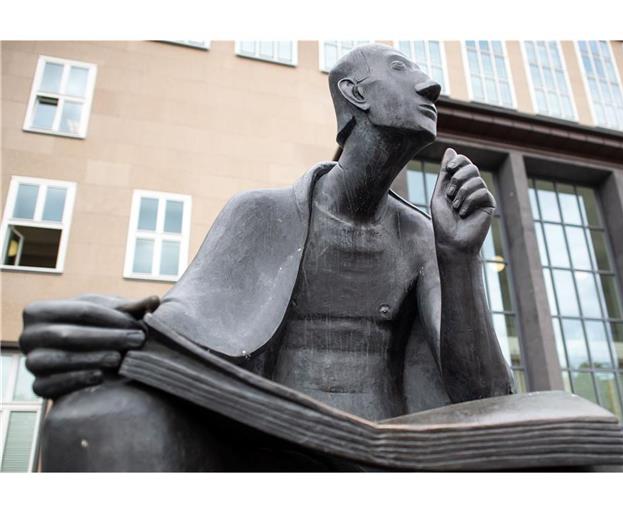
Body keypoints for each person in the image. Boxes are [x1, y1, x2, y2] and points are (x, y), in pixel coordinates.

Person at [19, 44, 513, 470]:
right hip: (264, 438)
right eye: (402, 70)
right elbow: (184, 323)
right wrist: (113, 325)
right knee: (101, 418)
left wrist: (459, 255)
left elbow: (485, 395)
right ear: (355, 94)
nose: (431, 86)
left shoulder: (423, 237)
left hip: (388, 451)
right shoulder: (260, 213)